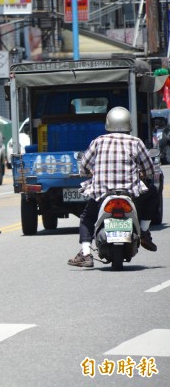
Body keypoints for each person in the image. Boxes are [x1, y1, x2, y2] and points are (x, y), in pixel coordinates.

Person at [68, 106, 158, 268]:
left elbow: (84, 165)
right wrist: (142, 173)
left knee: (87, 218)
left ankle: (86, 254)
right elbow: (149, 169)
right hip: (130, 193)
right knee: (153, 193)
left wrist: (88, 172)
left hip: (103, 193)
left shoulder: (98, 141)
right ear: (128, 123)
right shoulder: (136, 142)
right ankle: (144, 231)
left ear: (108, 123)